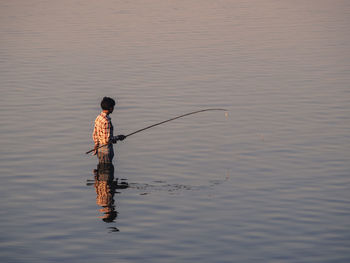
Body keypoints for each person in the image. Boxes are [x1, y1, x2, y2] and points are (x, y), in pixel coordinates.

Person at [92, 97, 126, 163]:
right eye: (113, 107)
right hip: (105, 151)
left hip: (99, 149)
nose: (113, 108)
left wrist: (96, 144)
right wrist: (118, 137)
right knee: (106, 171)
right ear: (110, 108)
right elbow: (107, 140)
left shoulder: (99, 117)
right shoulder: (106, 121)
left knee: (101, 170)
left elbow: (95, 134)